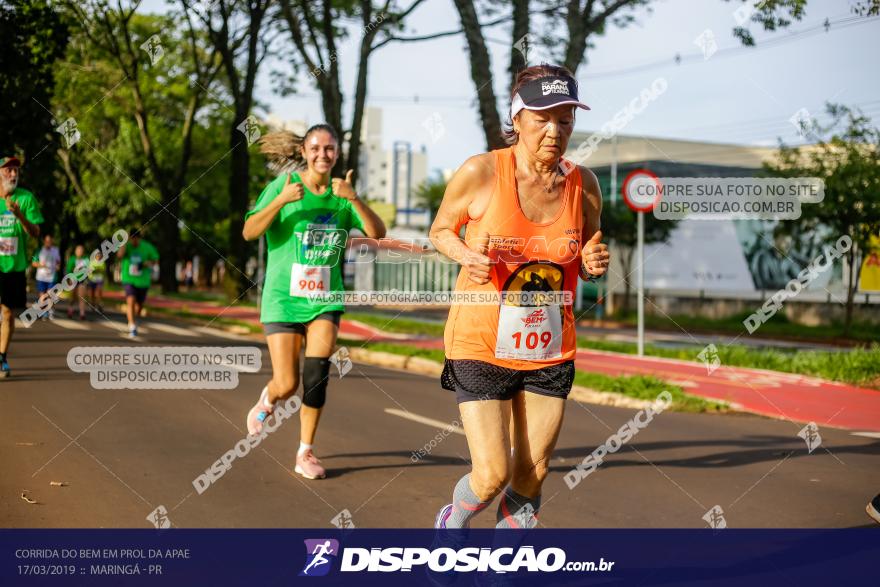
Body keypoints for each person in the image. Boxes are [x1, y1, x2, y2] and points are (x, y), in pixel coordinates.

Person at [428, 65, 609, 529]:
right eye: (544, 118)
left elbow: (589, 241)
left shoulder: (583, 183)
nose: (556, 131)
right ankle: (452, 523)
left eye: (566, 120)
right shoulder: (482, 171)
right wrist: (466, 254)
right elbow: (441, 230)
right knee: (491, 475)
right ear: (519, 117)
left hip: (548, 345)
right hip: (480, 341)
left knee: (534, 472)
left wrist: (592, 258)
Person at [243, 124, 386, 480]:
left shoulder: (342, 194)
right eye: (316, 148)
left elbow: (377, 233)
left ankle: (305, 452)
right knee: (287, 382)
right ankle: (268, 399)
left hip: (325, 300)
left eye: (330, 149)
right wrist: (279, 201)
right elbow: (249, 232)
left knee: (316, 375)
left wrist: (353, 198)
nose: (323, 155)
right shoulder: (285, 186)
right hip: (283, 299)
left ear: (337, 154)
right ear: (305, 152)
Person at [0, 156, 43, 377]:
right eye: (8, 170)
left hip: (14, 268)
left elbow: (35, 233)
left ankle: (2, 358)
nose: (14, 174)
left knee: (7, 313)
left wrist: (19, 215)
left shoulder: (26, 199)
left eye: (16, 170)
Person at [117, 231, 159, 337]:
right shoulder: (127, 246)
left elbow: (155, 260)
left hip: (143, 281)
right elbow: (120, 255)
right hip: (129, 279)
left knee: (139, 307)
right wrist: (124, 242)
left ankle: (133, 318)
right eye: (132, 238)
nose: (134, 241)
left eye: (136, 238)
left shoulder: (147, 247)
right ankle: (132, 326)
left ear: (139, 238)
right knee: (130, 301)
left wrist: (147, 263)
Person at [31, 234, 60, 320]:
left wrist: (58, 266)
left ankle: (50, 310)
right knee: (42, 295)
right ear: (44, 242)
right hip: (41, 277)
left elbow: (58, 261)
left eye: (50, 241)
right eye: (47, 241)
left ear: (52, 241)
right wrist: (40, 264)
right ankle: (44, 312)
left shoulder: (55, 250)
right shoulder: (39, 250)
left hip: (52, 276)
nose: (48, 243)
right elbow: (33, 263)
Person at [65, 245, 90, 320]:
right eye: (78, 250)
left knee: (81, 297)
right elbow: (69, 269)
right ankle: (70, 309)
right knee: (73, 297)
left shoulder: (85, 259)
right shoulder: (72, 259)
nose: (80, 252)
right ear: (75, 251)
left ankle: (82, 313)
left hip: (82, 280)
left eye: (81, 250)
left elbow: (88, 269)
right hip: (73, 279)